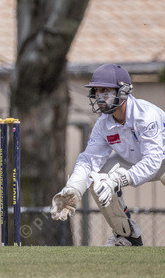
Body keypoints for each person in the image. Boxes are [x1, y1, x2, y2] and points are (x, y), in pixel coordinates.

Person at [51, 63, 165, 246]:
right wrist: (74, 188)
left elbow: (153, 161)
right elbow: (89, 160)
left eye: (104, 90)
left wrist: (118, 179)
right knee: (97, 177)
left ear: (123, 91)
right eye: (96, 90)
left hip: (161, 160)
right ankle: (127, 236)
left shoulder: (146, 116)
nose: (99, 96)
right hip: (133, 161)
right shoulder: (103, 124)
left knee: (112, 178)